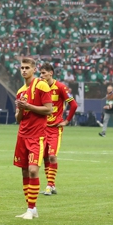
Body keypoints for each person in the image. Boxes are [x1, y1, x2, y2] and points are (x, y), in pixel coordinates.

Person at [13, 57, 53, 220]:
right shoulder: (20, 91)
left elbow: (49, 109)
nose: (24, 70)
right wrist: (21, 109)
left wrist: (28, 106)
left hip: (37, 135)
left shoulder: (41, 85)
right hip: (22, 135)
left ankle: (31, 208)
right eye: (22, 68)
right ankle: (31, 208)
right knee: (24, 171)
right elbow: (18, 118)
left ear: (34, 70)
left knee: (33, 170)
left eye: (27, 67)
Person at [39, 63, 76, 196]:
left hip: (55, 128)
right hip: (42, 128)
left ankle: (49, 186)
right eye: (40, 73)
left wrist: (66, 121)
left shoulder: (60, 87)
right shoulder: (40, 87)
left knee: (52, 156)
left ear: (51, 73)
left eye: (44, 73)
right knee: (45, 157)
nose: (41, 75)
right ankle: (51, 185)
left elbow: (73, 105)